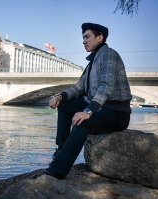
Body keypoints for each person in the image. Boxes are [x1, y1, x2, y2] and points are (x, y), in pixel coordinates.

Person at [43, 23, 132, 179]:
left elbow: (106, 86)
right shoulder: (91, 63)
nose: (83, 41)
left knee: (82, 122)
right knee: (64, 104)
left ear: (99, 38)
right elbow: (78, 88)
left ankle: (58, 171)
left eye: (87, 37)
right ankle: (61, 152)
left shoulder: (109, 54)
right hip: (101, 109)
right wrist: (59, 97)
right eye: (83, 38)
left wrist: (88, 111)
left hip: (116, 113)